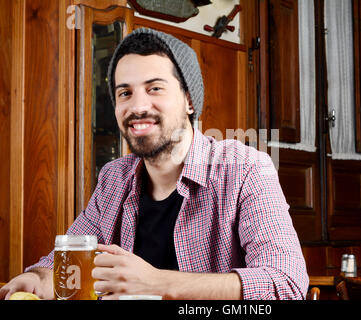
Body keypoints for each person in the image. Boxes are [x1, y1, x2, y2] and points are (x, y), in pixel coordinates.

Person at [0, 28, 309, 300]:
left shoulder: (244, 167)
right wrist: (37, 277)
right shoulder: (114, 178)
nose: (138, 106)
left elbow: (286, 284)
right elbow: (64, 259)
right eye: (125, 93)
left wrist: (156, 283)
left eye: (154, 88)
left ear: (189, 100)